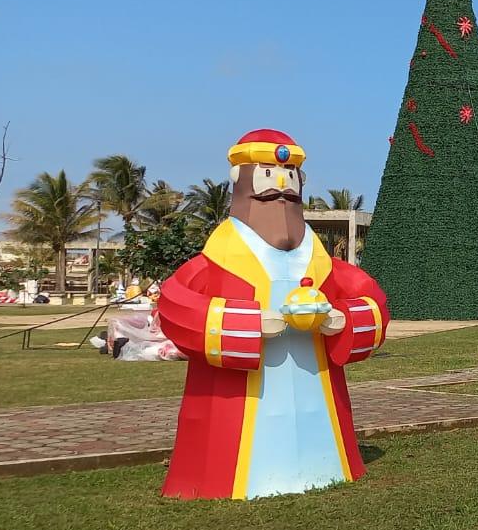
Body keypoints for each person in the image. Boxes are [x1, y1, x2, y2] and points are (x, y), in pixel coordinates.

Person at [156, 129, 390, 499]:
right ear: (241, 181)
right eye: (267, 176)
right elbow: (173, 303)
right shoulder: (217, 260)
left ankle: (325, 464)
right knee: (236, 447)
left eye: (289, 178)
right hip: (234, 402)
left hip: (317, 388)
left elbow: (373, 299)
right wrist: (245, 324)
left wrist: (340, 320)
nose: (280, 186)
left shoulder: (321, 262)